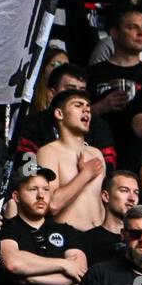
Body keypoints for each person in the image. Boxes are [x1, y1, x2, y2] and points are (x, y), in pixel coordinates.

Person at [87, 7, 142, 160]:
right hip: (99, 154)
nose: (141, 33)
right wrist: (101, 107)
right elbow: (72, 115)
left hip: (141, 158)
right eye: (132, 27)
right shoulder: (93, 74)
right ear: (114, 33)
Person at [36, 89, 106, 232]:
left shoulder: (96, 153)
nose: (86, 110)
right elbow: (51, 205)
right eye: (78, 105)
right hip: (68, 237)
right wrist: (85, 174)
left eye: (88, 106)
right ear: (59, 113)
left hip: (99, 237)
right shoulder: (49, 152)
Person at [78, 168, 139, 267]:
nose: (132, 198)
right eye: (124, 190)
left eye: (136, 192)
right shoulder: (86, 240)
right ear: (106, 196)